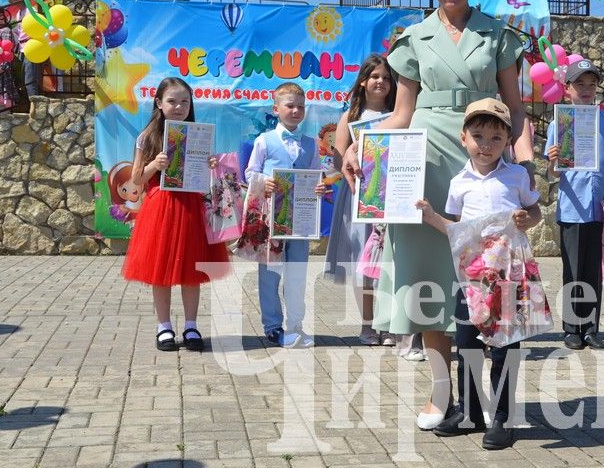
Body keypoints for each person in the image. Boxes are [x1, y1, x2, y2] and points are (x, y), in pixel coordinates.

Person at [341, 0, 531, 430]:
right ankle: (444, 393)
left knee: (485, 276)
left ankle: (493, 399)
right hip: (421, 161)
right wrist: (357, 151)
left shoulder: (498, 35)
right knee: (428, 278)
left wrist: (525, 163)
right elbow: (400, 115)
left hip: (483, 158)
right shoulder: (413, 39)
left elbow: (516, 108)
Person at [416, 98, 541, 450]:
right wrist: (431, 216)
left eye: (496, 138)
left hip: (508, 276)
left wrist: (526, 219)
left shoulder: (517, 175)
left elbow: (535, 212)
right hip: (471, 278)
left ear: (507, 142)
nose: (486, 145)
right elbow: (457, 230)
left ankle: (502, 417)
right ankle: (469, 412)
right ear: (463, 138)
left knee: (504, 348)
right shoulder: (459, 183)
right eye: (479, 136)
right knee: (468, 343)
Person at [121, 77, 229, 352]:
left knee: (191, 269)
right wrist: (154, 165)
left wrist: (211, 164)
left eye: (184, 101)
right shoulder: (147, 136)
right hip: (161, 207)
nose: (179, 106)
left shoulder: (197, 133)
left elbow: (204, 175)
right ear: (159, 103)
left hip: (190, 206)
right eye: (172, 101)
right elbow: (136, 179)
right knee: (161, 269)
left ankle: (191, 325)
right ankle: (164, 326)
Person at [544, 59, 604, 351]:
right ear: (567, 89)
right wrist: (553, 160)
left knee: (594, 271)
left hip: (600, 207)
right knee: (573, 270)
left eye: (592, 84)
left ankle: (591, 328)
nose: (587, 90)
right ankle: (571, 329)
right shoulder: (558, 123)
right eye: (580, 84)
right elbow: (552, 173)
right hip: (572, 207)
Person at [246, 82, 327, 349]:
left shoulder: (310, 144)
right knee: (270, 274)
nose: (296, 110)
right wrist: (264, 182)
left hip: (301, 222)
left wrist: (319, 186)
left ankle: (295, 326)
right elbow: (250, 173)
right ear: (276, 109)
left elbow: (317, 176)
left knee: (297, 273)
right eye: (290, 105)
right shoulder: (264, 140)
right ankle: (272, 326)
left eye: (300, 106)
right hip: (272, 221)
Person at [326, 54, 397, 346]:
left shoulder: (400, 116)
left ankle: (390, 324)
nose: (380, 82)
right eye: (375, 77)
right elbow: (338, 160)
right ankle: (367, 325)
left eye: (386, 78)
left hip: (391, 197)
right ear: (364, 82)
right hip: (357, 198)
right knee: (363, 262)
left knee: (389, 261)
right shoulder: (350, 118)